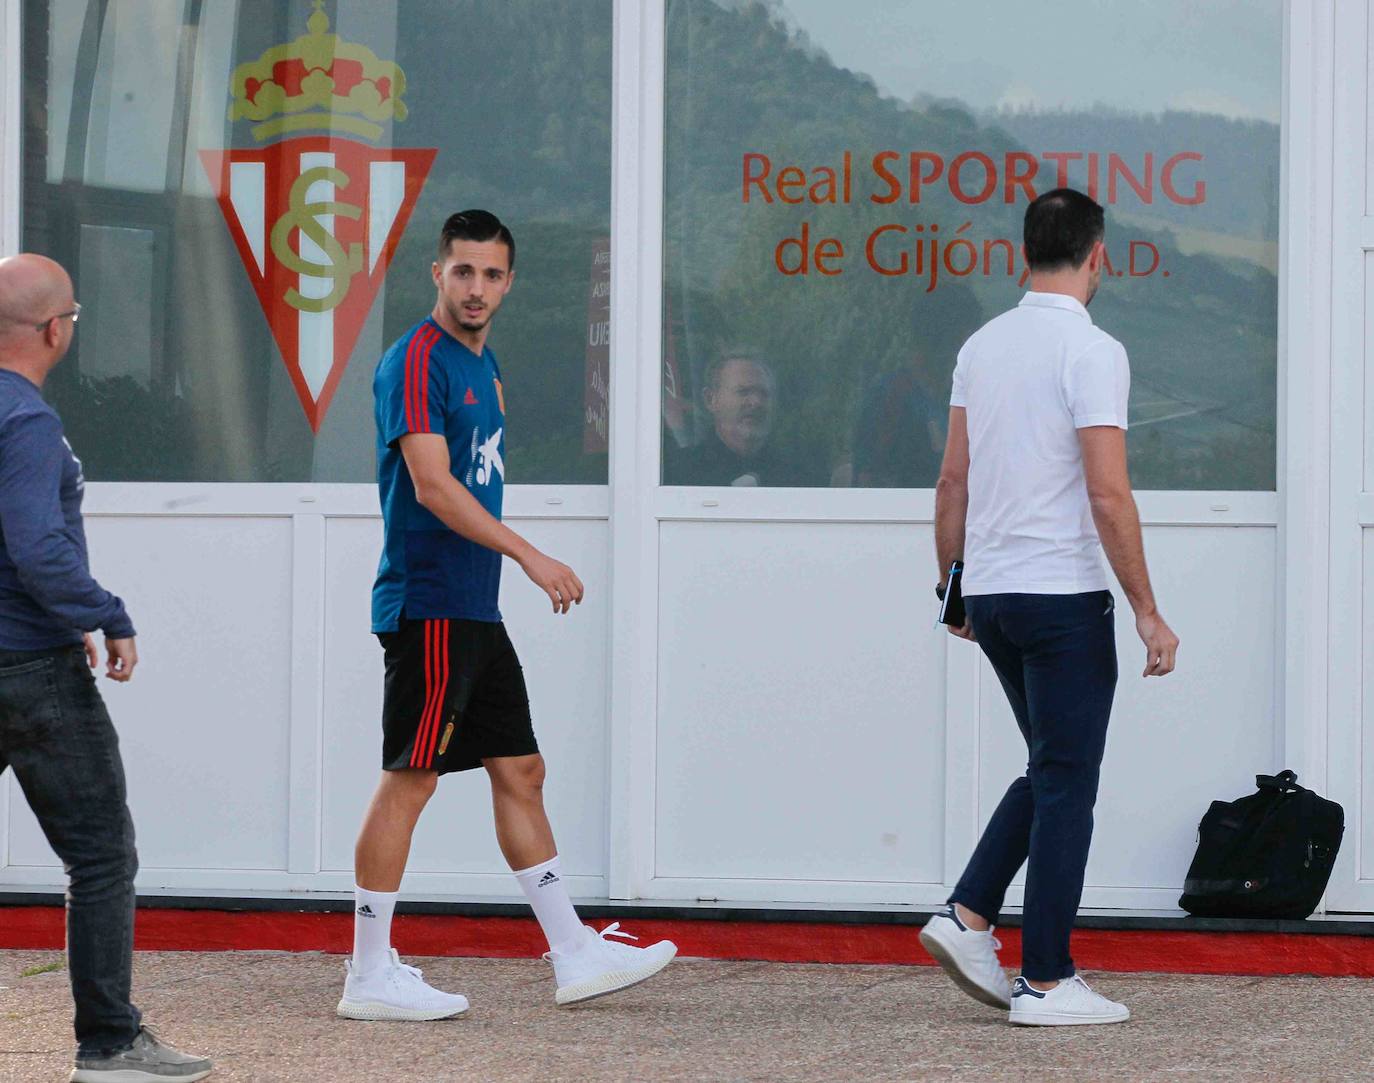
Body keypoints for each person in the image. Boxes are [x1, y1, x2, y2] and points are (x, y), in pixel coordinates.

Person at [340, 210, 676, 1021]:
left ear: (509, 282)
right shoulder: (416, 359)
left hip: (471, 608)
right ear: (437, 273)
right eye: (464, 272)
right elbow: (432, 484)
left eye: (492, 275)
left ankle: (573, 951)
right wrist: (530, 555)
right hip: (430, 603)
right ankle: (368, 973)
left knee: (520, 769)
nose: (478, 288)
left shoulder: (482, 368)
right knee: (411, 779)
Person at [921, 189, 1179, 1027]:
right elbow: (1109, 492)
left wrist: (952, 582)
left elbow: (952, 478)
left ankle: (966, 915)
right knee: (1069, 779)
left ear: (1024, 253)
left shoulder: (981, 345)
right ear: (1097, 255)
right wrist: (1147, 607)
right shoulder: (1093, 351)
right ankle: (1044, 977)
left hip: (994, 593)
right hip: (1062, 597)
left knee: (1050, 764)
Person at [0, 255, 211, 1081]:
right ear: (56, 329)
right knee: (99, 854)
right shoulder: (26, 421)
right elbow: (35, 545)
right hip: (31, 672)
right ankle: (111, 1043)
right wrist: (104, 613)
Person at [664, 353, 811, 486]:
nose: (756, 402)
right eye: (743, 392)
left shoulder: (796, 476)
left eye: (764, 394)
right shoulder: (677, 474)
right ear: (711, 399)